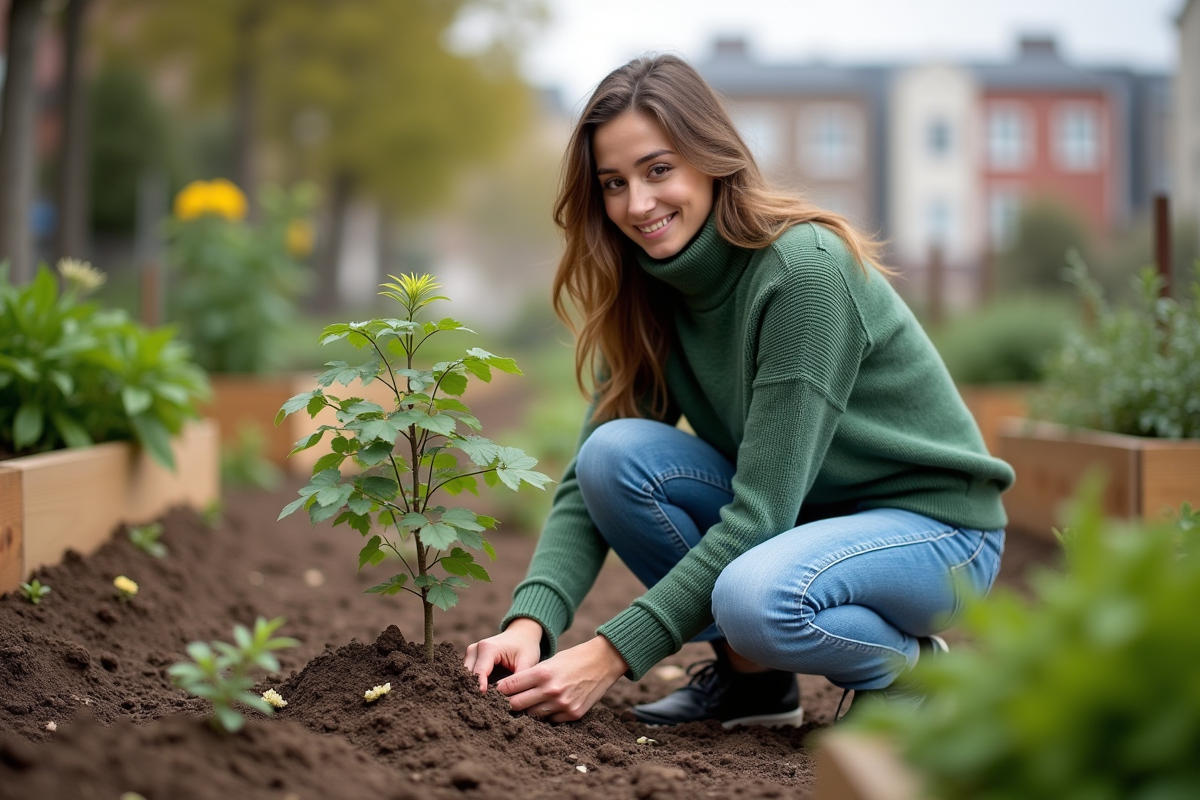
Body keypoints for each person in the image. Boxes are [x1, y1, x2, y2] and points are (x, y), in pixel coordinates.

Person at [463, 54, 1014, 727]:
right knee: (613, 457)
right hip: (811, 523)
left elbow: (759, 520)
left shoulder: (803, 273)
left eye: (658, 169)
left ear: (711, 157)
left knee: (756, 597)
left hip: (935, 536)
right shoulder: (650, 289)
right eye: (613, 183)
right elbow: (587, 483)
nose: (637, 204)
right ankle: (756, 687)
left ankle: (914, 674)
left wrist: (608, 655)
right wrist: (531, 621)